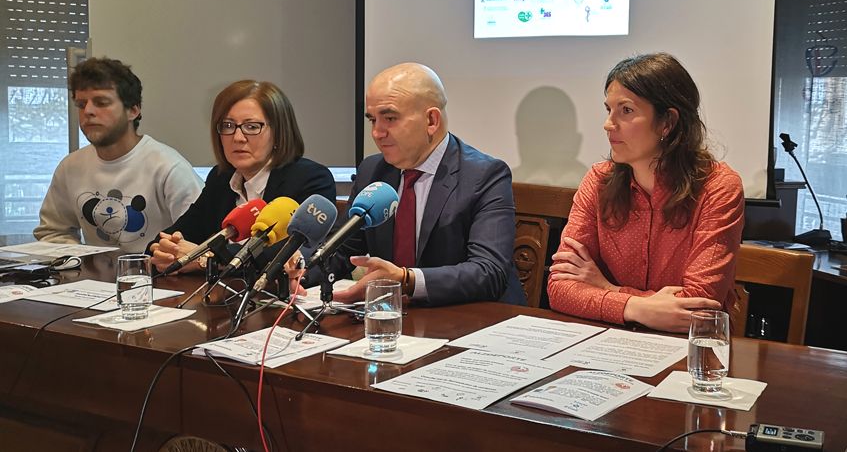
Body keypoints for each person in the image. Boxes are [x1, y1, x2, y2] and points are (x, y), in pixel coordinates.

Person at [546, 53, 745, 333]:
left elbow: (699, 308)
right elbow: (559, 288)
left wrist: (606, 289)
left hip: (690, 352)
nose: (608, 124)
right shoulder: (598, 180)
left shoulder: (718, 187)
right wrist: (635, 307)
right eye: (608, 110)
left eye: (625, 110)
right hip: (608, 344)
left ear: (667, 122)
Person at [312, 63, 525, 306]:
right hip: (393, 318)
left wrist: (407, 279)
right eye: (372, 120)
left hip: (472, 318)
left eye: (390, 118)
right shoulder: (373, 171)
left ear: (431, 120)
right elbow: (342, 252)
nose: (376, 133)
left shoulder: (484, 175)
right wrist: (300, 271)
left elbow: (489, 272)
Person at [149, 80, 335, 273]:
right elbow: (176, 234)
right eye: (228, 125)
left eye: (252, 127)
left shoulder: (310, 179)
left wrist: (205, 259)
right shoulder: (221, 179)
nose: (238, 137)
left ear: (278, 132)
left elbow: (284, 256)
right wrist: (164, 250)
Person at [34, 57, 203, 254]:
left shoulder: (168, 167)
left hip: (157, 279)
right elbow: (53, 232)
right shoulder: (70, 166)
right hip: (91, 280)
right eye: (81, 104)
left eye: (101, 102)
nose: (88, 111)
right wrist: (83, 262)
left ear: (133, 110)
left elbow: (201, 238)